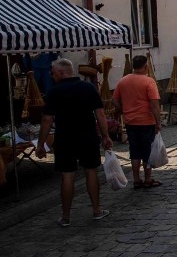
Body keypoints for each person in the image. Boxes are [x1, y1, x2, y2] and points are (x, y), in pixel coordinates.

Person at [35, 58, 112, 226]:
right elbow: (100, 114)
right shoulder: (88, 88)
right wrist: (106, 136)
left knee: (67, 176)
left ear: (61, 72)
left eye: (53, 73)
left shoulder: (54, 92)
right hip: (88, 136)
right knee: (91, 172)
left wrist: (41, 144)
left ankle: (65, 217)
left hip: (65, 138)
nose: (51, 75)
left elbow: (47, 119)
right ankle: (97, 210)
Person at [112, 55, 162, 189]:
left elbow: (114, 99)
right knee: (147, 151)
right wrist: (158, 122)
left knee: (134, 151)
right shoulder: (149, 82)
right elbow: (154, 104)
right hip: (146, 122)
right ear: (146, 66)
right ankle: (148, 179)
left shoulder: (123, 81)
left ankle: (136, 179)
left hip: (130, 122)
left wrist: (122, 110)